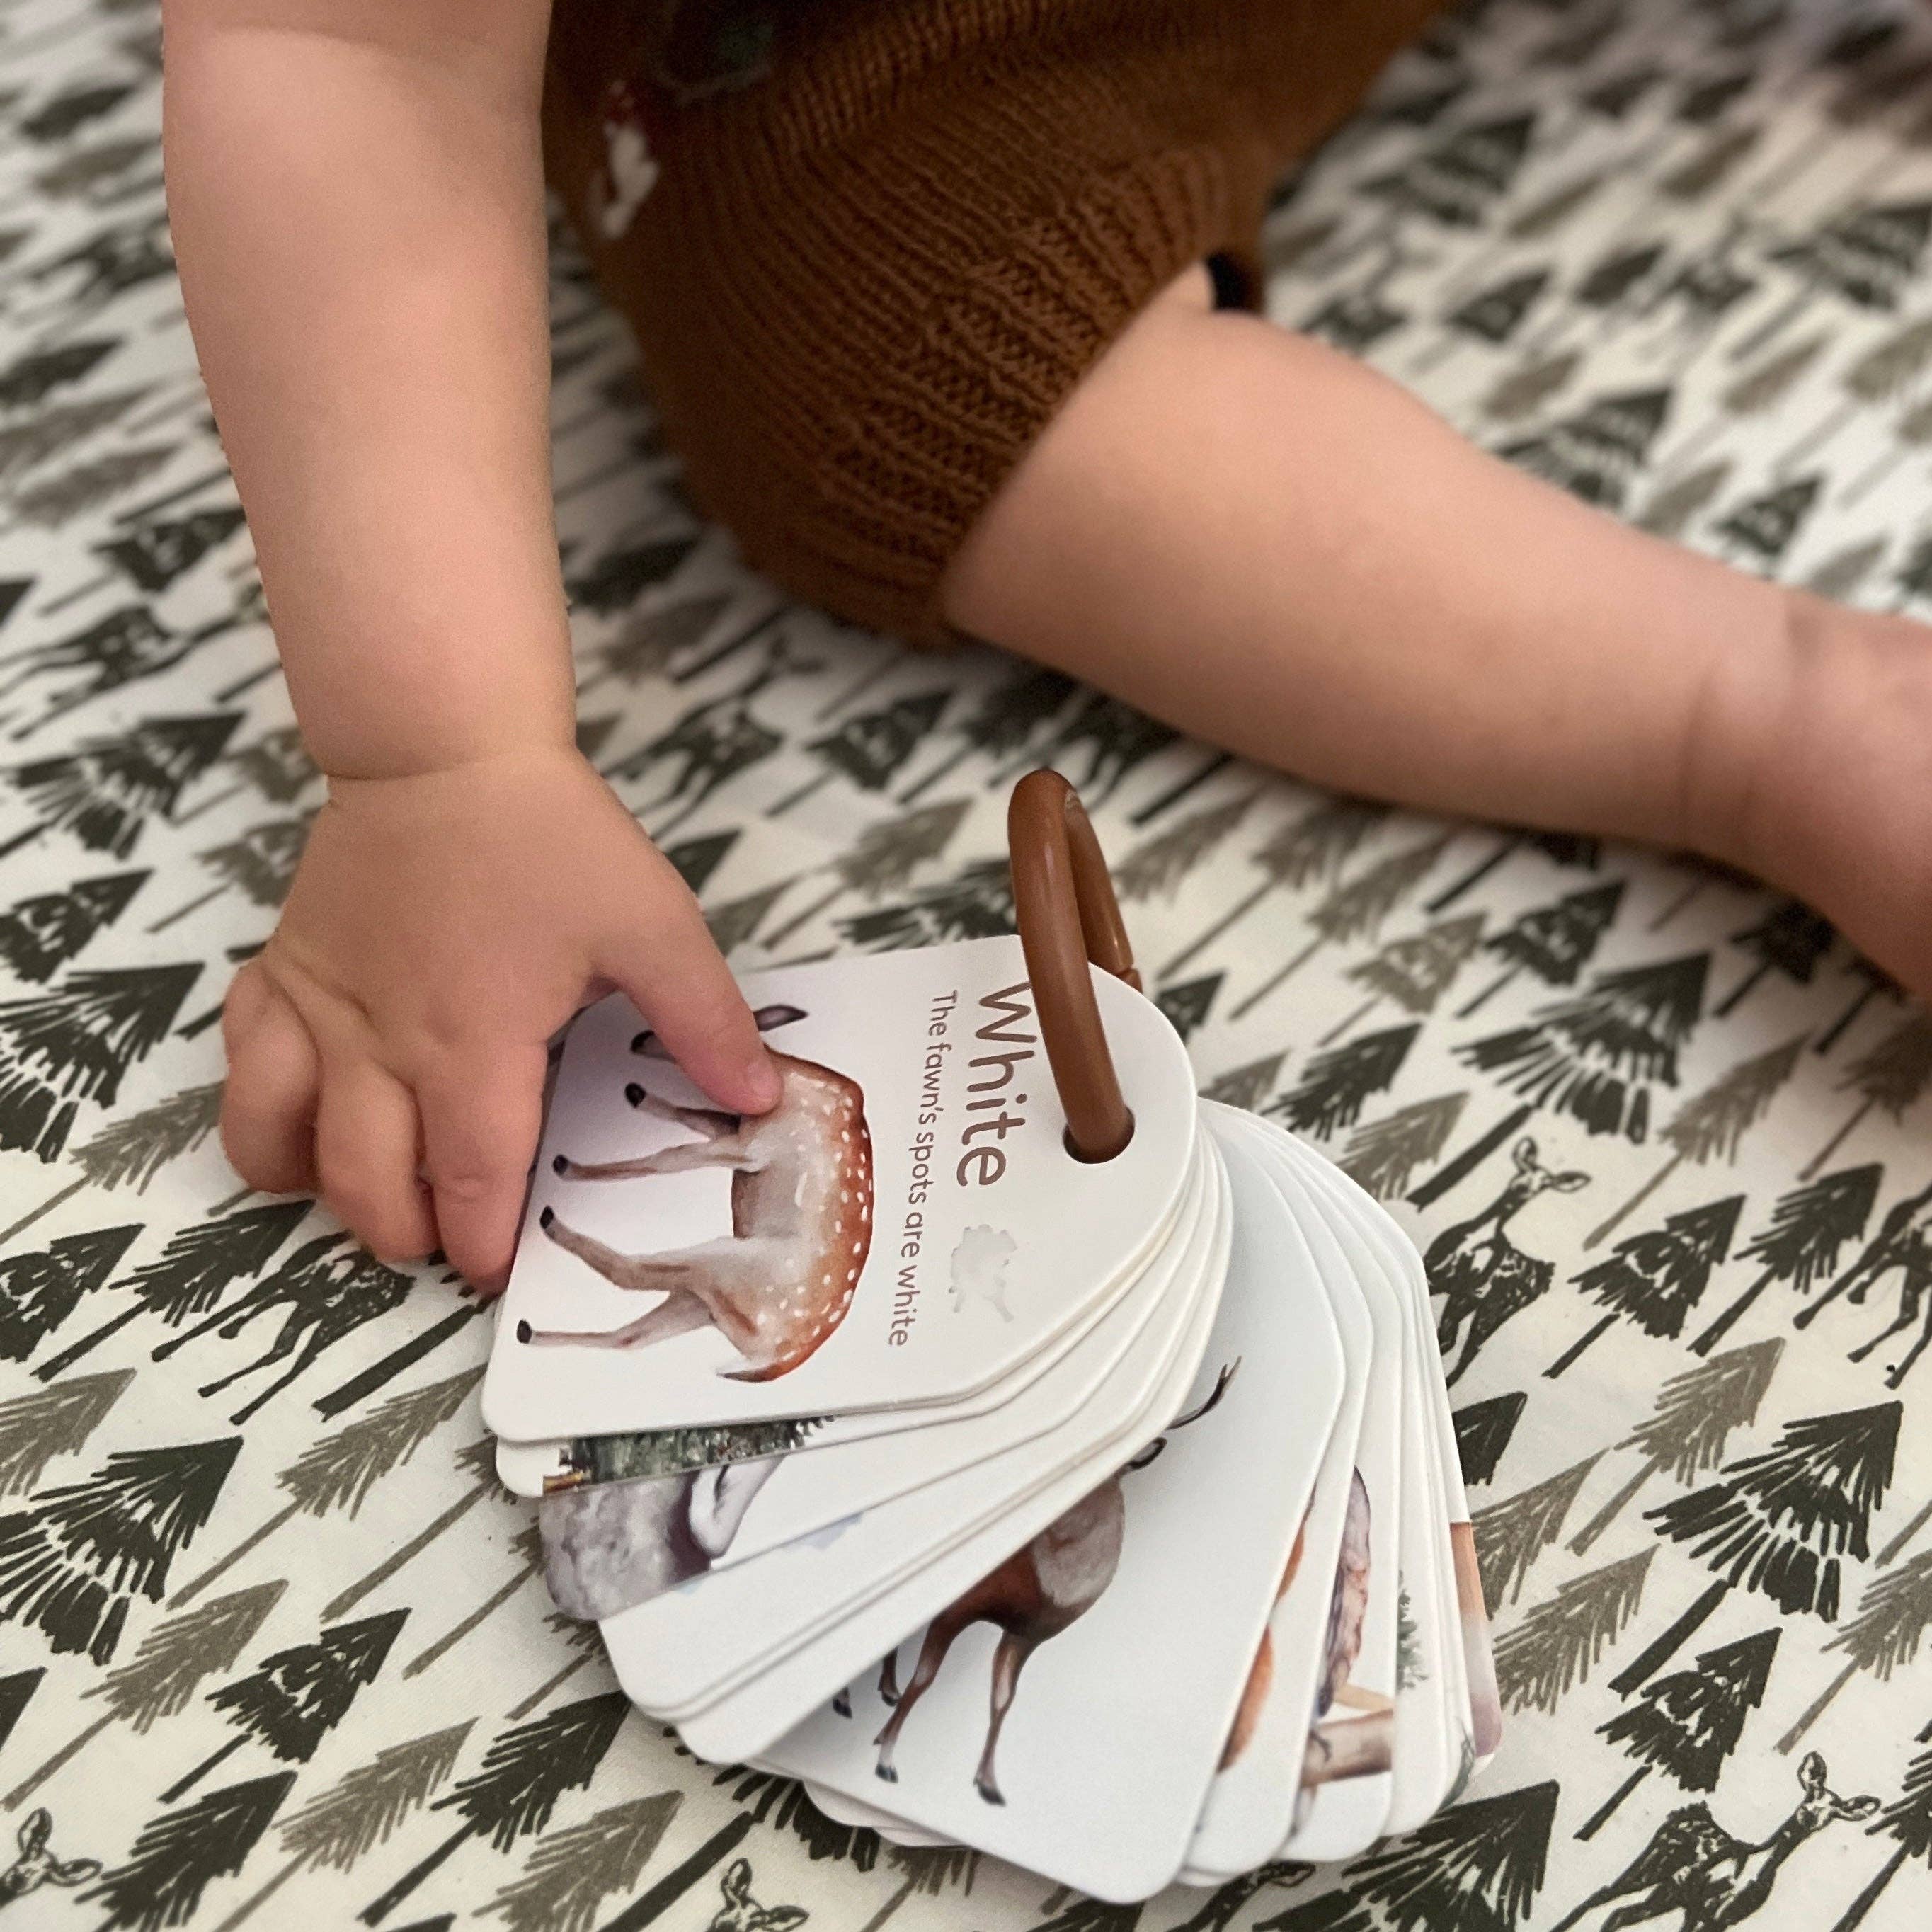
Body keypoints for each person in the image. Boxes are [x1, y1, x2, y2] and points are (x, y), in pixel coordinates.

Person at [168, 0, 1932, 1293]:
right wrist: (440, 758)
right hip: (881, 65)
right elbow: (351, 56)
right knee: (885, 366)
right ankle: (1753, 710)